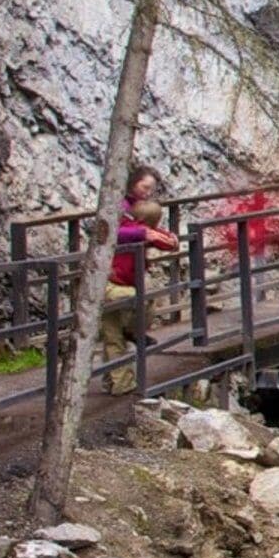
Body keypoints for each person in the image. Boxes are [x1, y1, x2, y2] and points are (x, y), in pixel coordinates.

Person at [103, 166, 171, 394]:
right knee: (140, 303)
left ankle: (115, 383)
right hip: (108, 279)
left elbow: (151, 232)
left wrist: (169, 239)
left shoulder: (138, 211)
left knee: (113, 335)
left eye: (151, 189)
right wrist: (144, 234)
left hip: (124, 279)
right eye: (145, 187)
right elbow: (111, 231)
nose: (147, 192)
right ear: (133, 183)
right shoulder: (120, 206)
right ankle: (133, 333)